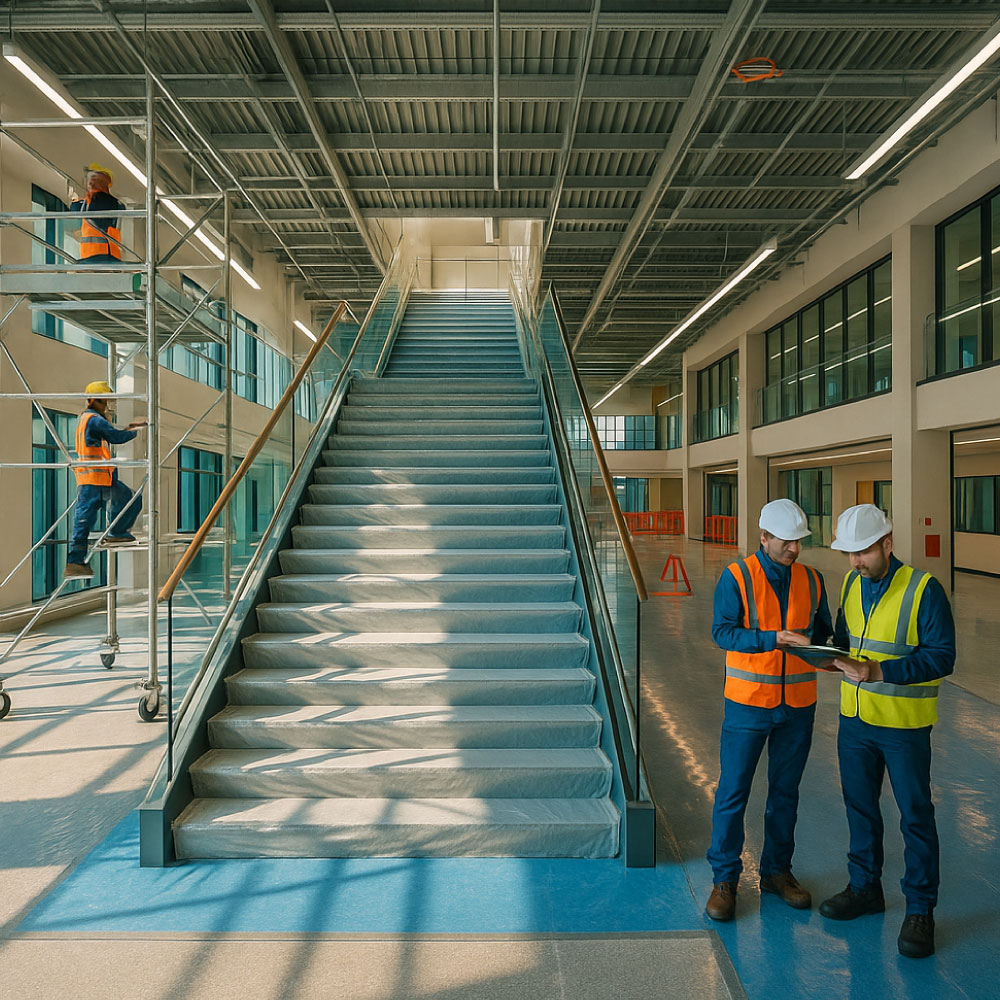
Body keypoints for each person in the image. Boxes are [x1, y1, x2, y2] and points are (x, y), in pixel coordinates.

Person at [820, 504, 955, 960]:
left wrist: (878, 670)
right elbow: (846, 640)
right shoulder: (851, 584)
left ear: (887, 544)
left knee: (915, 815)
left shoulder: (923, 590)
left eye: (863, 552)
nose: (856, 561)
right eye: (850, 553)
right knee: (860, 807)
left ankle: (920, 909)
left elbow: (942, 657)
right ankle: (864, 888)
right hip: (855, 720)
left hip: (902, 726)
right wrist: (823, 652)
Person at [705, 499, 833, 921]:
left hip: (798, 706)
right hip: (748, 705)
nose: (794, 549)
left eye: (799, 542)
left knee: (785, 793)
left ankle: (777, 872)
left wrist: (834, 652)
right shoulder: (737, 576)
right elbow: (723, 633)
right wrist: (771, 639)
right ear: (764, 537)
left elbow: (822, 634)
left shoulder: (812, 580)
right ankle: (725, 878)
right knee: (733, 792)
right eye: (786, 541)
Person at [65, 381, 147, 579]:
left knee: (129, 499)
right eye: (106, 401)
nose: (108, 405)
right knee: (84, 520)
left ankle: (116, 533)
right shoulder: (94, 419)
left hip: (100, 478)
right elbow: (116, 437)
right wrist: (135, 431)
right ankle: (75, 562)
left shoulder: (89, 419)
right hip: (93, 479)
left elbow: (111, 435)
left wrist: (128, 428)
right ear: (95, 400)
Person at [70, 164, 124, 262]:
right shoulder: (92, 201)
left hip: (101, 255)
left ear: (104, 182)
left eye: (95, 179)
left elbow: (77, 210)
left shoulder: (105, 201)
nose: (90, 183)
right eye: (89, 179)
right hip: (97, 255)